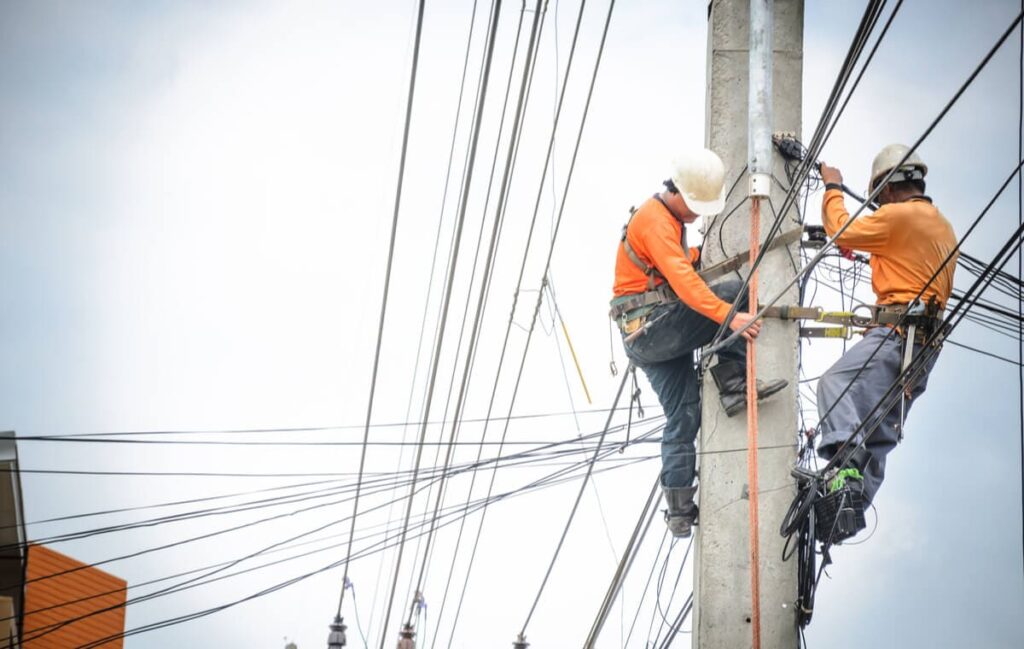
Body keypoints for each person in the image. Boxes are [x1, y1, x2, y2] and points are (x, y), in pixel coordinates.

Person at [610, 148, 788, 538]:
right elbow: (687, 285)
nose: (696, 213)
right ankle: (733, 382)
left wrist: (694, 255)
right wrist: (730, 315)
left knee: (684, 414)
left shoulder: (665, 221)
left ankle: (678, 510)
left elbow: (674, 264)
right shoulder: (656, 221)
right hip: (653, 329)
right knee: (733, 290)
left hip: (644, 337)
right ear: (676, 192)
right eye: (694, 205)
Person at [816, 144, 957, 505]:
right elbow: (902, 261)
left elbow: (840, 230)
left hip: (896, 335)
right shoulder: (940, 225)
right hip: (923, 348)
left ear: (888, 189)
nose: (880, 206)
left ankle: (843, 469)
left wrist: (832, 186)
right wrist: (871, 247)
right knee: (879, 428)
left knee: (837, 384)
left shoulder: (899, 217)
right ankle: (852, 507)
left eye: (879, 200)